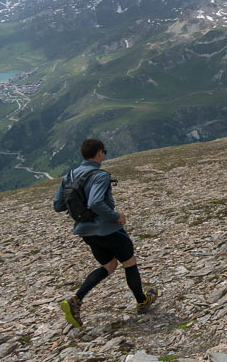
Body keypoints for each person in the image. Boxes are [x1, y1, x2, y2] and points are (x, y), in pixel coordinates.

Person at [52, 138, 158, 328]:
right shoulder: (99, 175)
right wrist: (116, 216)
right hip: (108, 229)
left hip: (86, 232)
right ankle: (142, 302)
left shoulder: (69, 176)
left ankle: (76, 299)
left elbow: (58, 205)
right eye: (104, 152)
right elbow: (95, 202)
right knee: (129, 262)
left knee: (109, 265)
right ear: (100, 153)